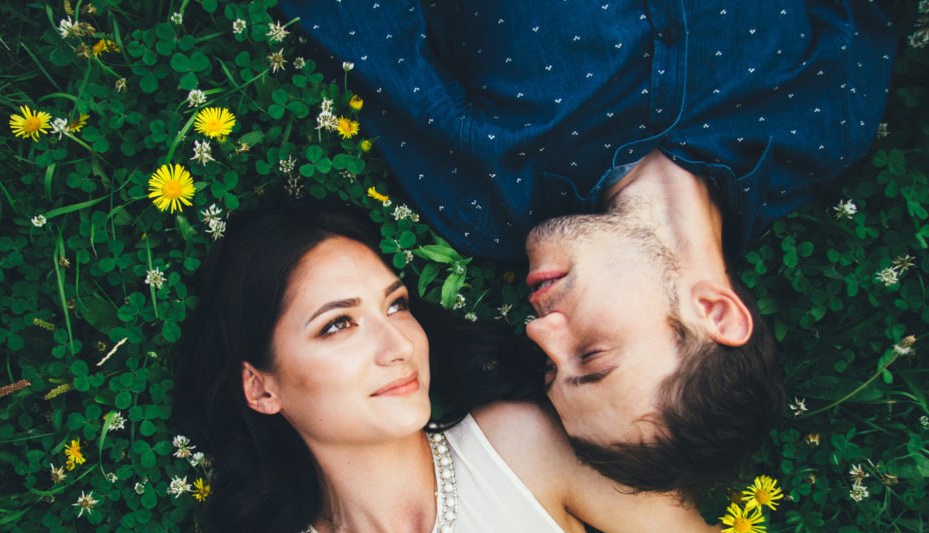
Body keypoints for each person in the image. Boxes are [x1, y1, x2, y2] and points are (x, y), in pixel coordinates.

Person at [275, 0, 897, 493]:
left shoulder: (491, 192)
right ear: (714, 311)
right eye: (592, 357)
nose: (542, 333)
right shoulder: (825, 124)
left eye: (552, 369)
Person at [174, 203, 760, 533]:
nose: (397, 344)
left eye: (395, 305)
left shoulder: (521, 445)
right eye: (338, 324)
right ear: (262, 387)